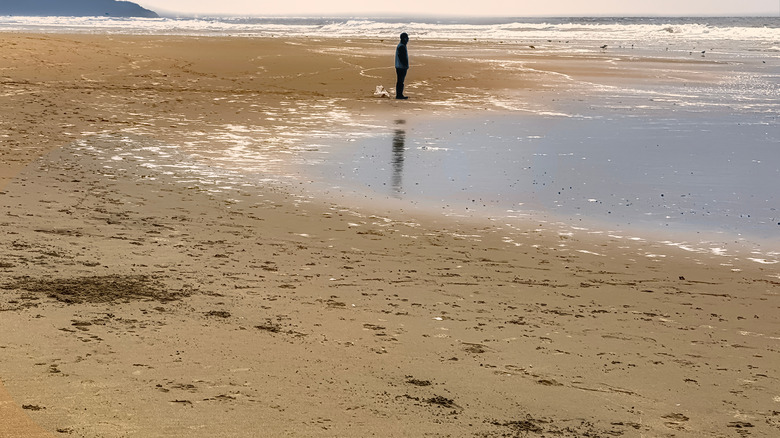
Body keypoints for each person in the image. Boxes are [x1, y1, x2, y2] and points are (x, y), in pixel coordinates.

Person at [395, 33, 409, 100]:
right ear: (404, 38)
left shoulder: (401, 45)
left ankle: (399, 94)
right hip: (401, 67)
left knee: (400, 81)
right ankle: (399, 95)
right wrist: (405, 65)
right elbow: (402, 57)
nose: (408, 39)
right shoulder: (402, 46)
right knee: (400, 81)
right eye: (407, 38)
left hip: (399, 66)